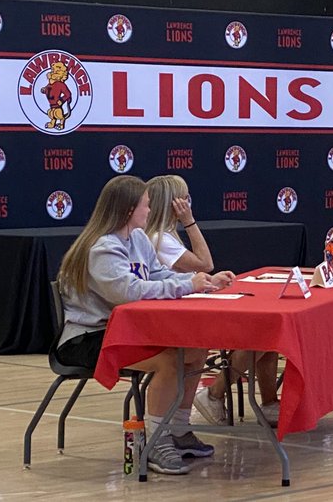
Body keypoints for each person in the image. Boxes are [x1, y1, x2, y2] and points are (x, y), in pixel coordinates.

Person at [56, 175, 234, 475]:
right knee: (168, 362)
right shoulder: (102, 248)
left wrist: (202, 283)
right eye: (145, 205)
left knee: (195, 349)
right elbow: (128, 292)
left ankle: (178, 431)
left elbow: (158, 275)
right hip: (87, 339)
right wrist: (187, 285)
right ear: (128, 210)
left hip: (120, 331)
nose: (150, 211)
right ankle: (157, 442)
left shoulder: (137, 238)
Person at [144, 175, 281, 427]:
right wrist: (190, 221)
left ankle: (269, 403)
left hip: (188, 307)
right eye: (184, 198)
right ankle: (213, 394)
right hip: (178, 320)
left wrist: (209, 280)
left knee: (268, 330)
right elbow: (205, 264)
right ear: (174, 203)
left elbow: (197, 272)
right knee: (263, 333)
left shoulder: (167, 235)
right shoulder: (159, 237)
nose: (188, 202)